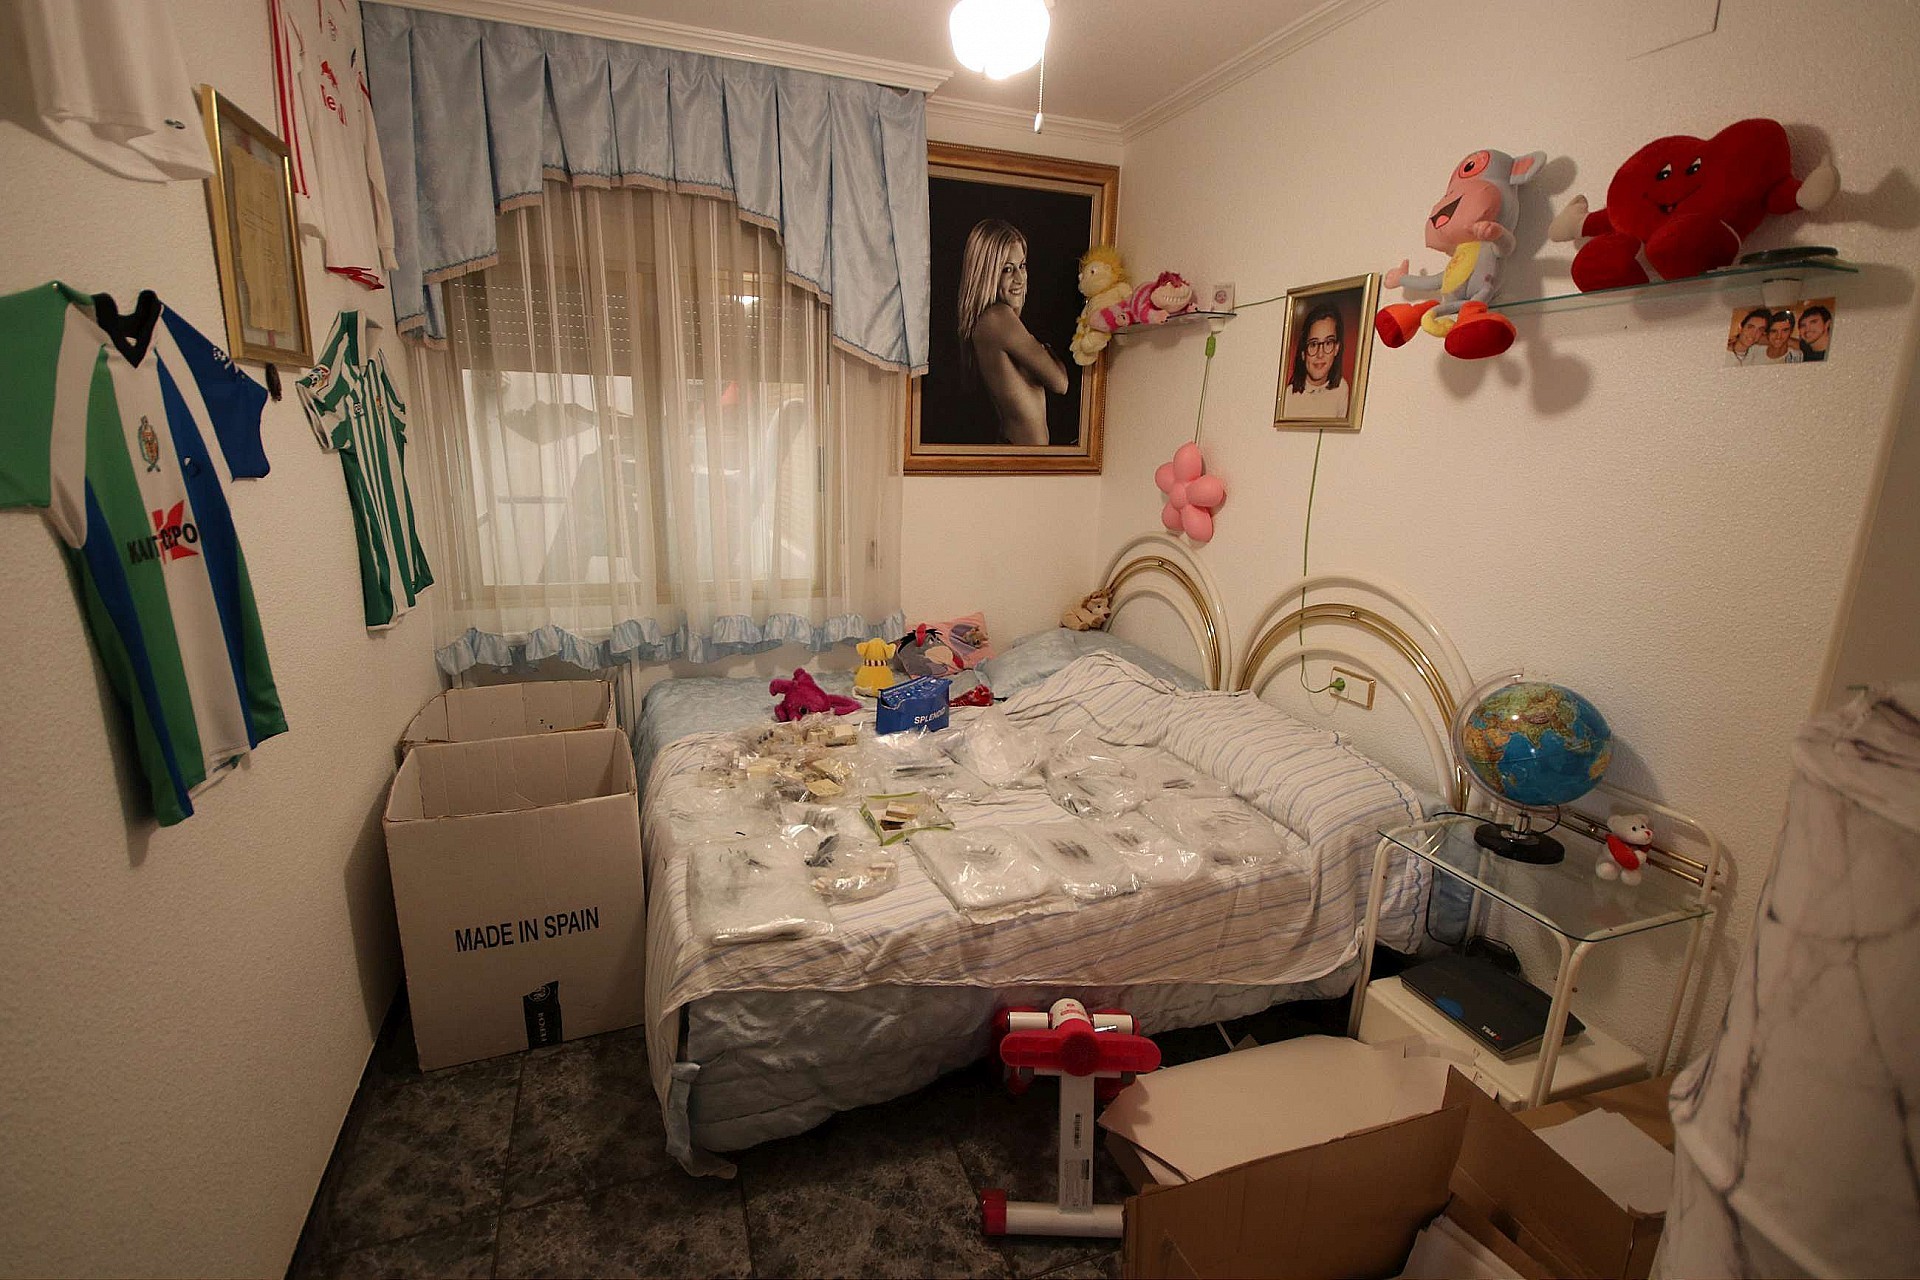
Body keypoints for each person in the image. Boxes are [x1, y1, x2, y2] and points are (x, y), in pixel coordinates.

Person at [958, 218, 1068, 446]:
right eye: (1007, 269)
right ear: (986, 272)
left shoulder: (987, 321)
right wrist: (1045, 348)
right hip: (1021, 456)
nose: (1020, 278)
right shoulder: (998, 318)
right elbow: (1060, 383)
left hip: (1017, 453)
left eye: (1022, 266)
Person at [1282, 301, 1350, 418]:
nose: (1320, 354)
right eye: (1313, 344)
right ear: (1303, 353)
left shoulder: (1341, 389)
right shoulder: (1288, 396)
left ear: (1336, 348)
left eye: (1328, 343)